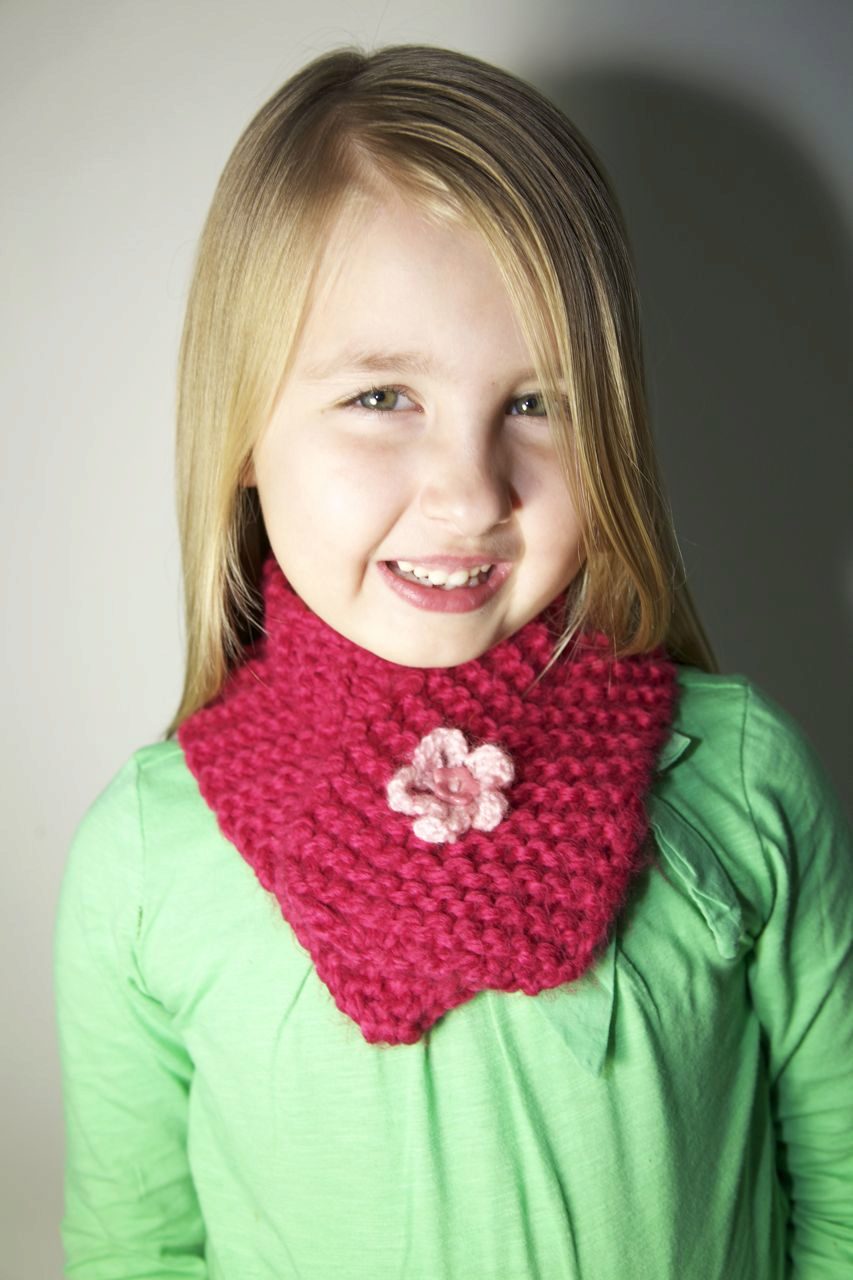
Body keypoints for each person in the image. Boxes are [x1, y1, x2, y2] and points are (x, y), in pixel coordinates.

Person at [54, 44, 852, 1279]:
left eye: (538, 402)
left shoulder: (739, 778)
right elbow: (134, 1246)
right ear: (243, 427)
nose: (471, 493)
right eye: (382, 396)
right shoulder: (148, 855)